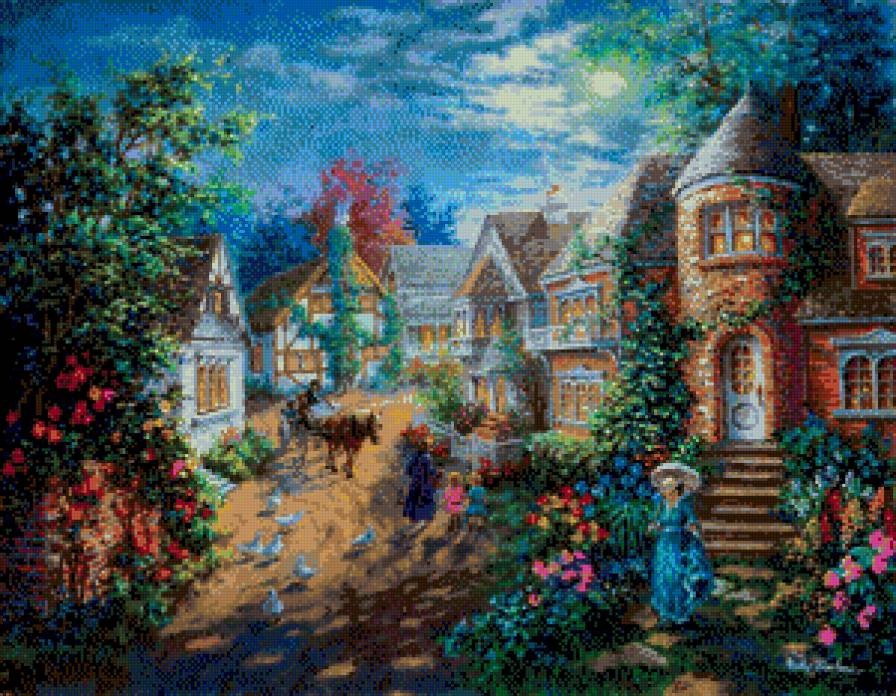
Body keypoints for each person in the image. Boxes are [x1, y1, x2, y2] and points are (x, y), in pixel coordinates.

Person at [649, 463, 715, 628]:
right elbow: (658, 522)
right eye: (663, 488)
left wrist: (694, 530)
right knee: (662, 576)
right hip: (664, 544)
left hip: (679, 543)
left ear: (675, 489)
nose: (663, 491)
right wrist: (655, 526)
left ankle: (679, 612)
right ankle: (665, 612)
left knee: (677, 576)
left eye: (667, 488)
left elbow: (692, 521)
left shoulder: (683, 504)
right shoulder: (661, 505)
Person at [402, 435, 438, 527]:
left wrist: (413, 475)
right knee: (425, 499)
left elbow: (408, 468)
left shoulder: (416, 455)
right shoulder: (426, 457)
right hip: (424, 483)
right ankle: (423, 519)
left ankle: (413, 520)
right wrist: (436, 473)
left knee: (413, 499)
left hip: (415, 482)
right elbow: (429, 471)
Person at [443, 471, 467, 536]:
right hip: (452, 504)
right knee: (453, 516)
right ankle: (453, 527)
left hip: (457, 504)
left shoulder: (459, 488)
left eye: (455, 479)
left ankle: (456, 527)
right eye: (453, 479)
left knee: (456, 516)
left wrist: (462, 501)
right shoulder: (449, 488)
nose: (454, 481)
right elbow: (446, 497)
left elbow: (462, 496)